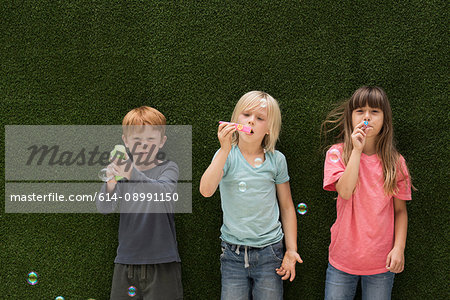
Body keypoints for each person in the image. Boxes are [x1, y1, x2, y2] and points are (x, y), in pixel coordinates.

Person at [200, 91, 302, 300]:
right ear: (236, 119)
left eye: (260, 118)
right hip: (232, 254)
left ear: (269, 128)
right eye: (246, 114)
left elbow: (287, 206)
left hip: (270, 253)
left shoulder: (276, 160)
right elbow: (206, 190)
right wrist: (224, 149)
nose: (251, 121)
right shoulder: (226, 156)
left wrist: (291, 251)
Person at [321, 86, 412, 299]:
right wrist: (357, 151)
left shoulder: (396, 162)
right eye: (360, 111)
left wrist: (399, 248)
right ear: (351, 116)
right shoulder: (336, 153)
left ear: (385, 118)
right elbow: (344, 191)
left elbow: (400, 211)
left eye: (375, 111)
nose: (367, 117)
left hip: (381, 264)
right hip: (341, 260)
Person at [96, 106, 183, 300]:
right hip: (126, 262)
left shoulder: (168, 168)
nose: (144, 145)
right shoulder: (123, 172)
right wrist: (111, 183)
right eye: (137, 140)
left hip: (163, 263)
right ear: (126, 141)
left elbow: (164, 193)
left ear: (162, 141)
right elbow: (104, 207)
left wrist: (131, 173)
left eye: (150, 139)